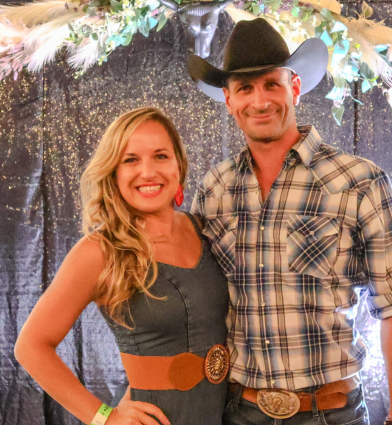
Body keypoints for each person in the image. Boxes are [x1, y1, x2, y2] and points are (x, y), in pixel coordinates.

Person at [187, 18, 392, 425]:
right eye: (244, 88)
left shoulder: (359, 181)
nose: (259, 101)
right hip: (240, 412)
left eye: (271, 84)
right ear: (229, 101)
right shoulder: (214, 190)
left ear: (294, 87)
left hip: (332, 414)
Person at [14, 107, 230, 425]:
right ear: (113, 172)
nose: (148, 172)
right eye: (131, 160)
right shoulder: (99, 251)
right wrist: (105, 417)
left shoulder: (205, 228)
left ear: (179, 165)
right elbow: (30, 346)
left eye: (160, 156)